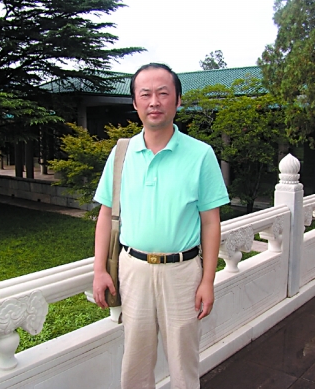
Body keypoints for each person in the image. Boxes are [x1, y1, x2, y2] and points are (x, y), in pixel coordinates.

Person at [92, 63, 229, 389]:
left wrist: (208, 280)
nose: (154, 102)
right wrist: (99, 270)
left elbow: (211, 222)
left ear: (178, 100)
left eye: (163, 93)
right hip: (133, 270)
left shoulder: (200, 154)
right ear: (135, 103)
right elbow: (105, 215)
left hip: (182, 273)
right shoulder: (122, 154)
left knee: (183, 363)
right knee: (135, 362)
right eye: (145, 94)